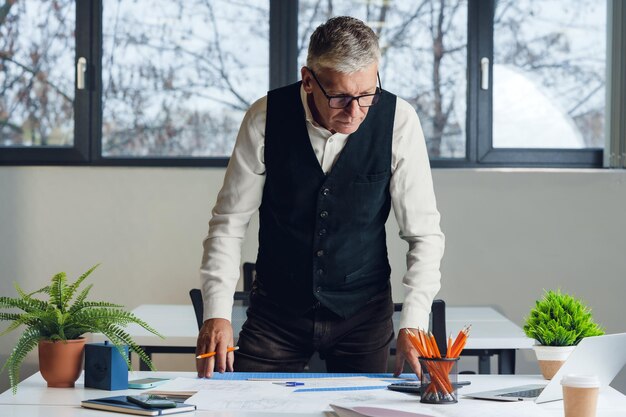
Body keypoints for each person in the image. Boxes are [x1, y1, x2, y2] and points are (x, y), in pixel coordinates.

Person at [196, 16, 444, 378]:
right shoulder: (264, 118)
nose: (356, 111)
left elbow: (423, 234)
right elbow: (229, 222)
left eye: (367, 95)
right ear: (308, 80)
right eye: (341, 97)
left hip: (363, 315)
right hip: (276, 315)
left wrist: (414, 321)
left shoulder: (399, 121)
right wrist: (216, 312)